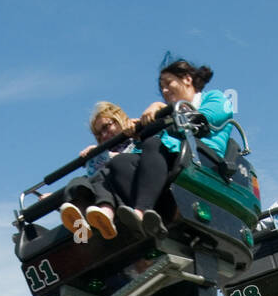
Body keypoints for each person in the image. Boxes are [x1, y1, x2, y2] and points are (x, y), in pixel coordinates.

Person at [100, 58, 235, 239]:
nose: (164, 90)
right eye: (161, 87)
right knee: (121, 162)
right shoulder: (168, 117)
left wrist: (160, 110)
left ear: (187, 79)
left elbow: (200, 120)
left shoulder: (214, 97)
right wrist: (137, 134)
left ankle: (142, 210)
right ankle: (151, 218)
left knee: (154, 143)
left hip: (202, 158)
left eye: (168, 83)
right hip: (171, 153)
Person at [60, 101, 136, 239]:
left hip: (128, 181)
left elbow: (138, 159)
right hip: (104, 182)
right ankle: (79, 218)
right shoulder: (104, 151)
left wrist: (107, 155)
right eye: (99, 134)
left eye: (106, 127)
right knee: (79, 181)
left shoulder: (134, 138)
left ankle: (106, 214)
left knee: (102, 174)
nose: (104, 135)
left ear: (119, 119)